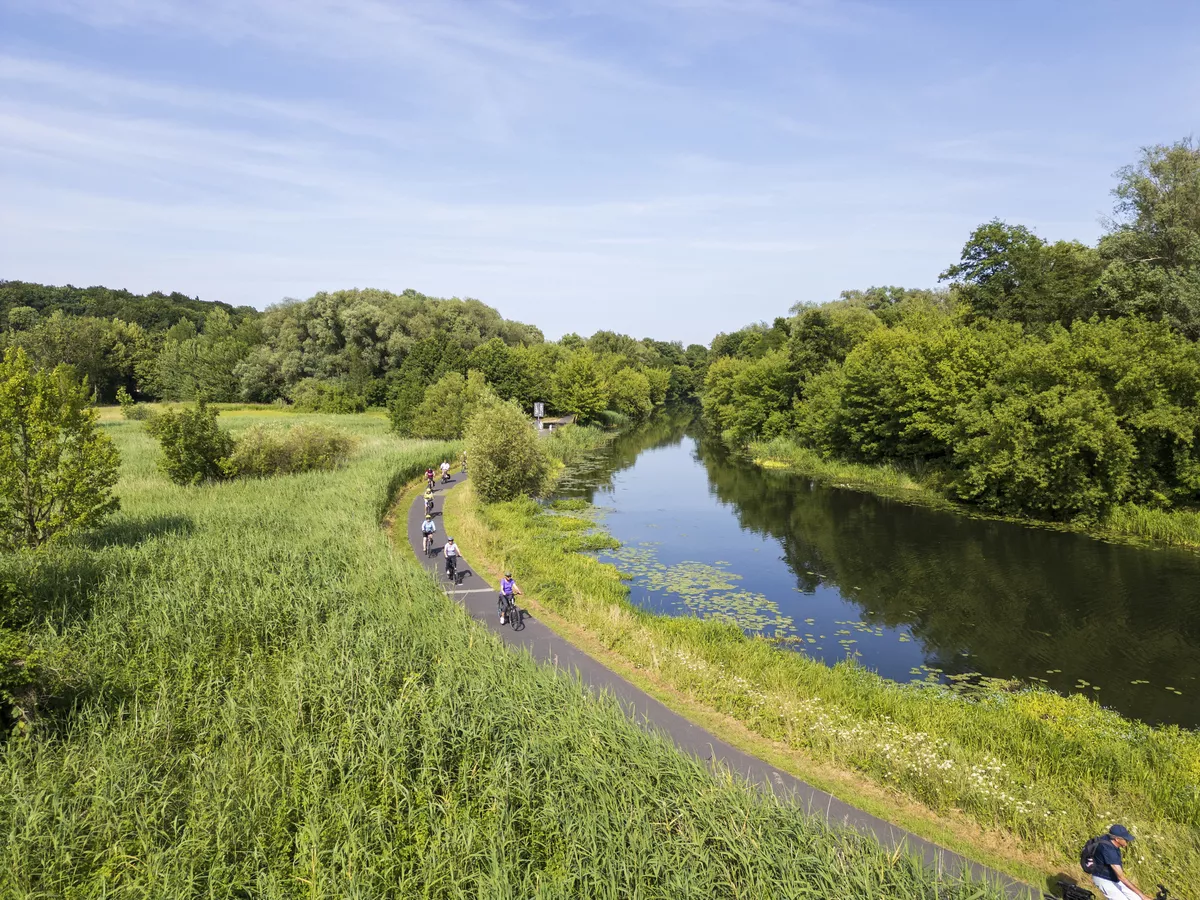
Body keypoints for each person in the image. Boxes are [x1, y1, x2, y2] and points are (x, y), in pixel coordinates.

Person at [1083, 825, 1152, 900]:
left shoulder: (1108, 838)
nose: (1128, 841)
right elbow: (1121, 877)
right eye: (1125, 839)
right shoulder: (1109, 851)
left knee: (1137, 898)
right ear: (1117, 839)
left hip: (1113, 877)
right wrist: (1143, 896)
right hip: (1103, 879)